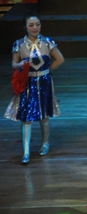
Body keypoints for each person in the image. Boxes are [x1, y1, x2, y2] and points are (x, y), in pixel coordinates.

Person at [6, 13, 64, 164]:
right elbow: (14, 63)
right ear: (25, 27)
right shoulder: (19, 44)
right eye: (31, 25)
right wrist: (19, 65)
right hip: (28, 83)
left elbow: (60, 59)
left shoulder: (47, 42)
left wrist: (47, 71)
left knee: (44, 115)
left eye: (37, 24)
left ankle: (45, 143)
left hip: (44, 82)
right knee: (26, 117)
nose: (35, 27)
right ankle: (25, 152)